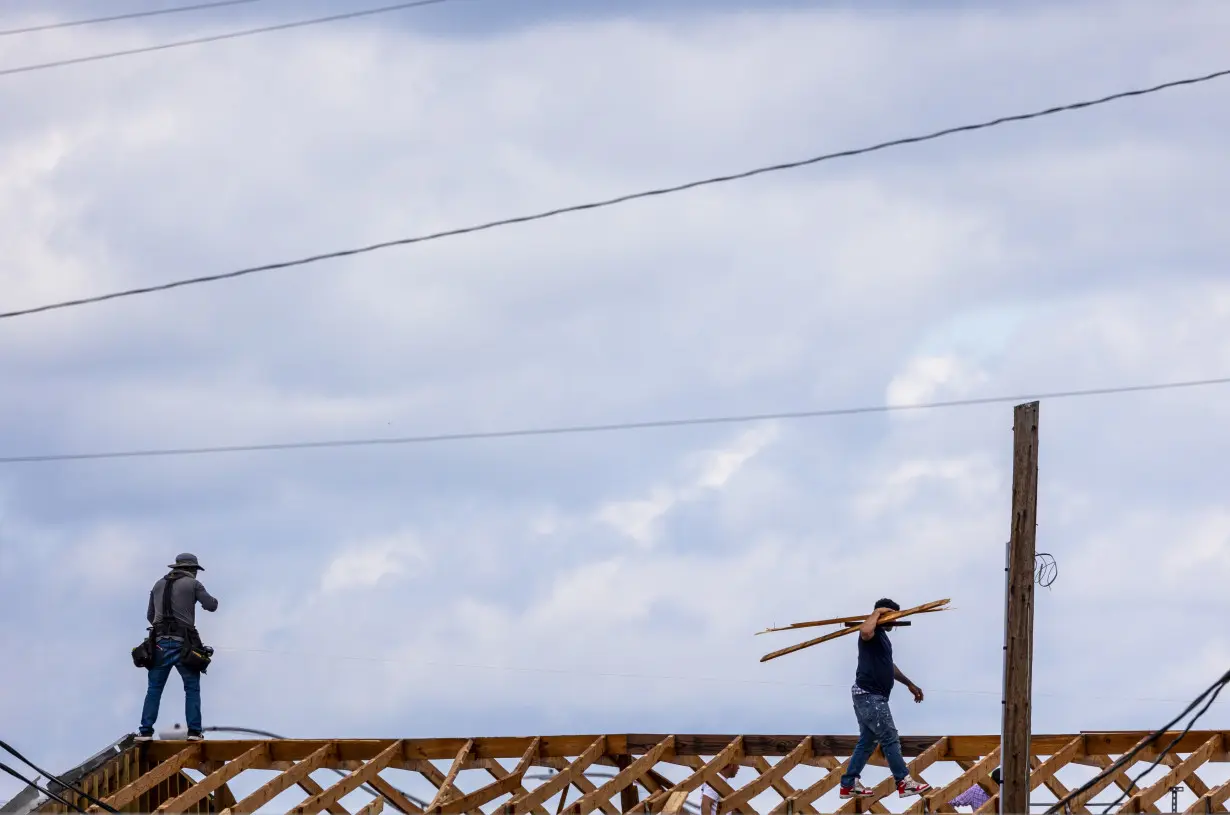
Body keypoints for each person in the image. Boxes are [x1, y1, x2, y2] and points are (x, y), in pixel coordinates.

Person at [839, 599, 931, 800]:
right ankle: (904, 782)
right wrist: (877, 613)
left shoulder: (882, 637)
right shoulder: (871, 631)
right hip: (869, 695)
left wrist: (909, 683)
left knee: (868, 741)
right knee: (889, 737)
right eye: (892, 616)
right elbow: (864, 632)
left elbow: (888, 665)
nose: (894, 622)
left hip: (872, 695)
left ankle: (848, 783)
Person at [136, 553, 218, 742]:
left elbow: (150, 615)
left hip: (158, 645)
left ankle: (145, 732)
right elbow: (211, 605)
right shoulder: (193, 584)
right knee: (191, 688)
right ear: (192, 570)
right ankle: (194, 732)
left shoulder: (157, 584)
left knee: (154, 689)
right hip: (184, 645)